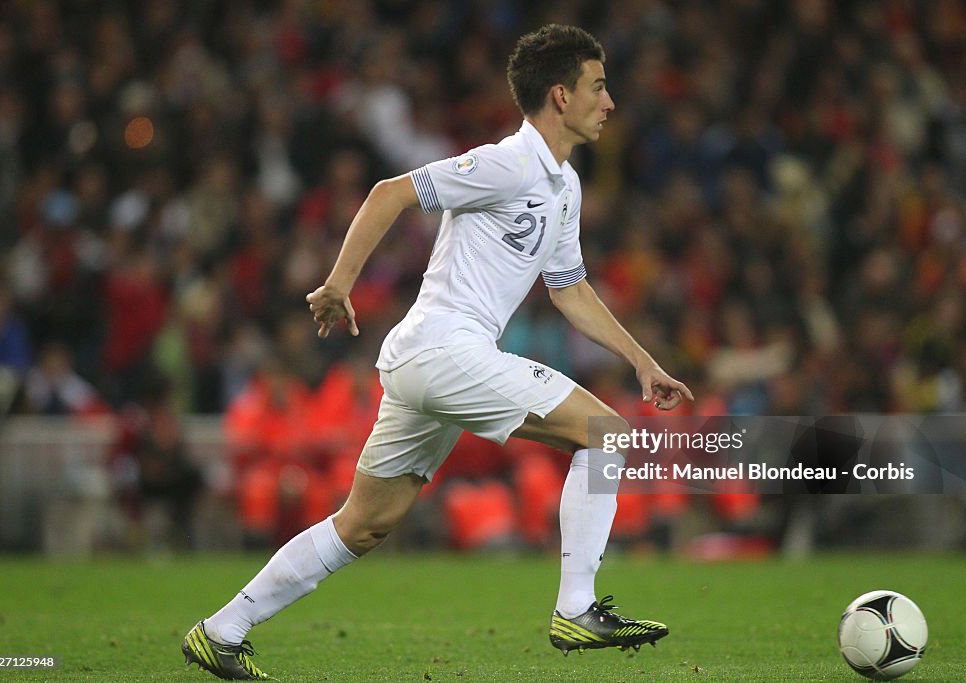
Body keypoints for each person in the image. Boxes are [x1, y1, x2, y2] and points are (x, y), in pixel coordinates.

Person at [182, 24, 693, 680]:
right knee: (607, 434)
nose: (611, 101)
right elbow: (389, 191)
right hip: (444, 348)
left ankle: (222, 629)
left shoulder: (564, 188)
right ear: (560, 96)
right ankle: (577, 605)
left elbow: (570, 290)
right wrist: (339, 283)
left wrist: (642, 360)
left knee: (364, 523)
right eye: (599, 85)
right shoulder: (510, 162)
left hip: (429, 362)